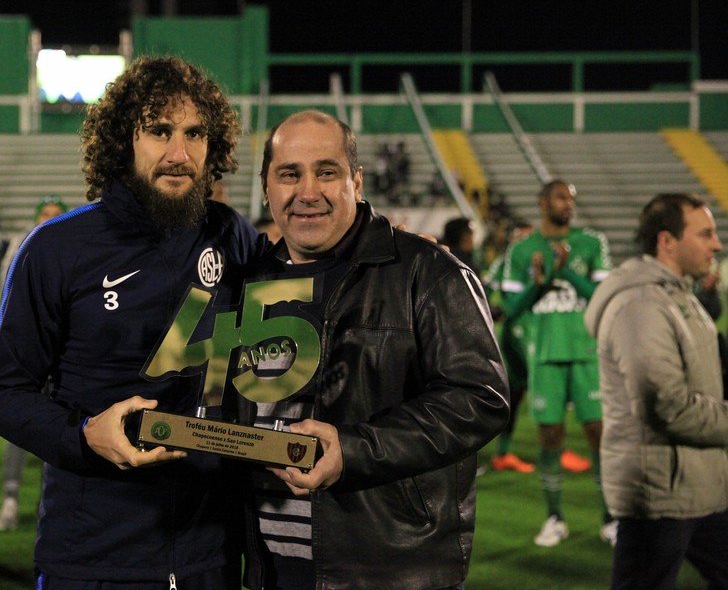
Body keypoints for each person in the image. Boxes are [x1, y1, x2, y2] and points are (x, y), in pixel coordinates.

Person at [0, 55, 268, 589]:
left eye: (195, 134)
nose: (180, 154)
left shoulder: (232, 235)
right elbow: (1, 392)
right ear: (122, 140)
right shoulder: (56, 249)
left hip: (212, 557)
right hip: (94, 558)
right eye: (159, 130)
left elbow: (312, 288)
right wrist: (85, 435)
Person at [238, 110, 509, 590]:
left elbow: (479, 397)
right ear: (266, 188)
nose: (307, 192)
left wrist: (355, 450)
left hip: (388, 567)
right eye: (288, 174)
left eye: (327, 172)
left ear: (356, 181)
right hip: (271, 570)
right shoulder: (248, 281)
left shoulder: (428, 272)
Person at [585, 193, 728, 590]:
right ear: (667, 241)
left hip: (698, 485)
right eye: (705, 234)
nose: (716, 244)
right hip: (659, 493)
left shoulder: (677, 294)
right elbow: (668, 406)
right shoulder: (641, 304)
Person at [501, 179, 614, 547]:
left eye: (572, 199)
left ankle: (610, 518)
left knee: (599, 434)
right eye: (561, 197)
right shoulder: (522, 249)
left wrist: (564, 273)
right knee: (550, 437)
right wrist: (538, 285)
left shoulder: (591, 242)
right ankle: (555, 517)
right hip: (544, 354)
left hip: (586, 353)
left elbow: (603, 295)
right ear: (542, 202)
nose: (569, 204)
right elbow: (511, 310)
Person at [0, 194, 68, 532]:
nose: (49, 220)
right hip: (29, 353)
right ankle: (10, 499)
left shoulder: (74, 248)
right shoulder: (22, 246)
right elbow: (6, 291)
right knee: (19, 427)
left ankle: (47, 506)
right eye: (45, 214)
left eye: (56, 215)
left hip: (64, 357)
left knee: (60, 428)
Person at [482, 219, 536, 473]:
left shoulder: (539, 265)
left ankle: (506, 450)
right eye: (521, 238)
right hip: (508, 336)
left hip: (534, 334)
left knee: (520, 392)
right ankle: (497, 451)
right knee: (505, 394)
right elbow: (483, 289)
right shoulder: (502, 264)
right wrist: (496, 310)